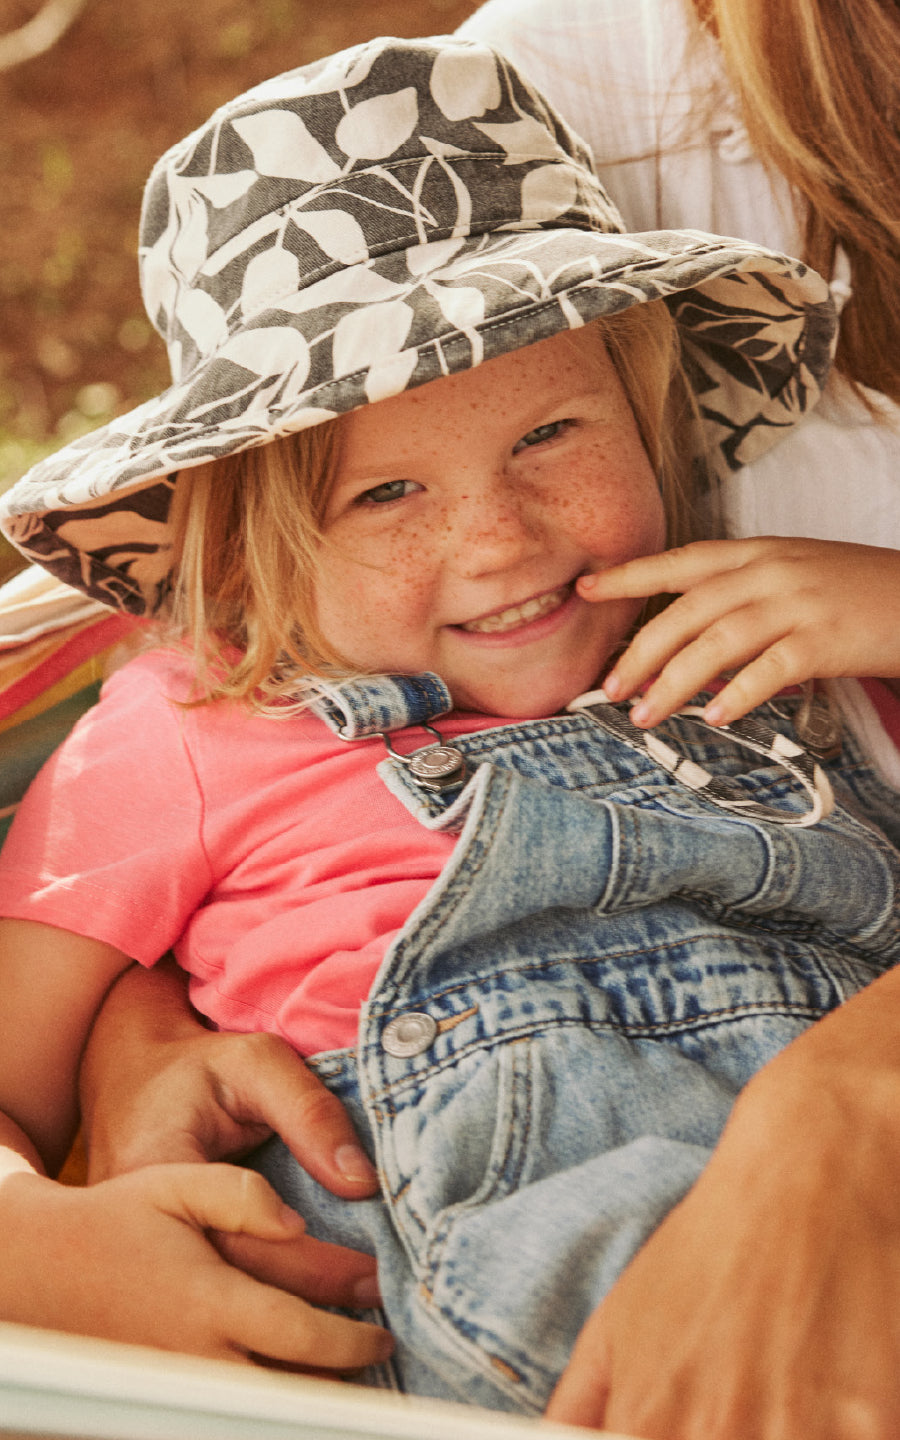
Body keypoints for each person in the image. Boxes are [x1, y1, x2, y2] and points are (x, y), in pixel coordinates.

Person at [0, 28, 898, 1428]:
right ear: (245, 558)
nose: (499, 540)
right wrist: (30, 1253)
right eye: (384, 496)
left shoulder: (782, 642)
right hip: (486, 1265)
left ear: (649, 412)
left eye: (551, 436)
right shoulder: (186, 727)